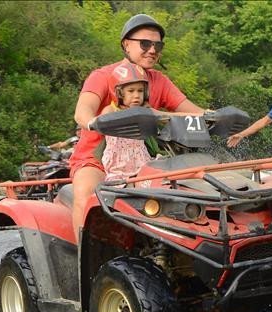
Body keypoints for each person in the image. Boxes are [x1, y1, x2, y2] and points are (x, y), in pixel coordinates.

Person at [69, 13, 206, 241]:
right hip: (96, 159)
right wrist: (93, 121)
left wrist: (218, 118)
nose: (152, 50)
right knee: (87, 194)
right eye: (145, 43)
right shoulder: (103, 76)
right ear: (126, 45)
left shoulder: (159, 80)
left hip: (143, 158)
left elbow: (192, 111)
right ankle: (85, 265)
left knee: (193, 189)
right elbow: (83, 111)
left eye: (157, 45)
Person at [100, 62, 153, 182]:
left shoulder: (144, 110)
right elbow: (101, 120)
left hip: (141, 162)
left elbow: (160, 117)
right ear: (119, 92)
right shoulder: (111, 110)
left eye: (140, 91)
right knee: (117, 190)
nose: (136, 95)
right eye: (131, 91)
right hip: (118, 166)